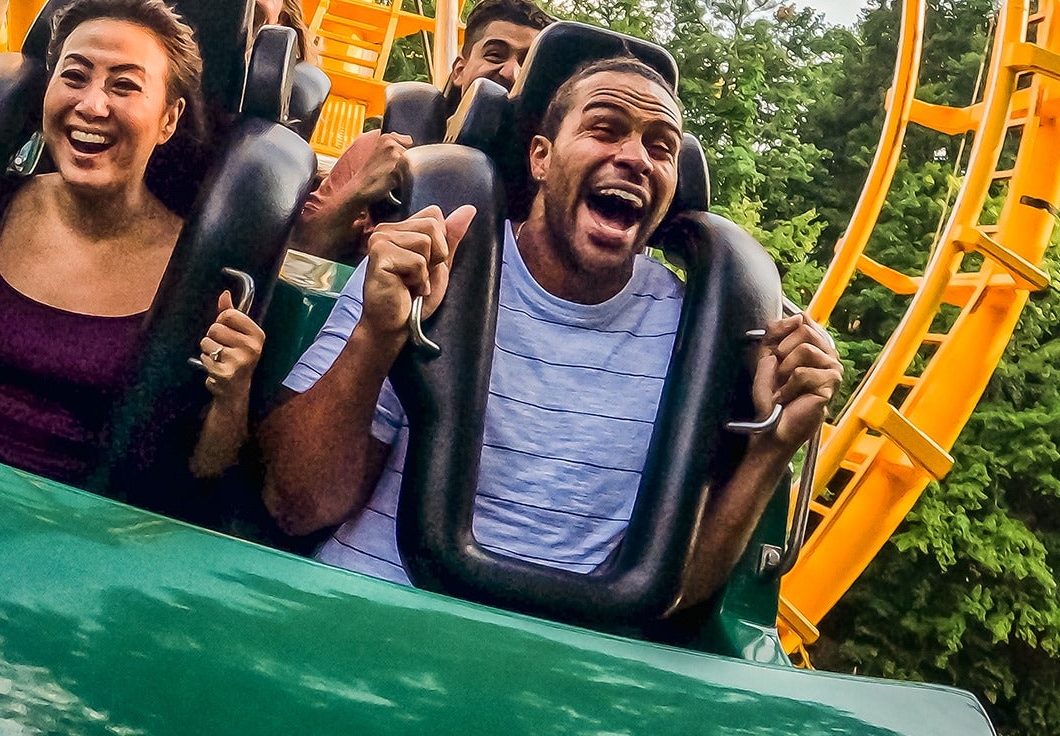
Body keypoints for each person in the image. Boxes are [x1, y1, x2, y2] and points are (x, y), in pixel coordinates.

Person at [259, 57, 842, 614]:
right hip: (367, 613)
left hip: (552, 674)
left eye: (660, 146)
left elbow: (676, 593)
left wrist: (774, 446)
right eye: (605, 129)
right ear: (541, 158)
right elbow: (296, 505)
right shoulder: (437, 262)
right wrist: (376, 335)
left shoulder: (693, 333)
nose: (636, 157)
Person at [0, 0, 266, 489]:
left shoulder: (198, 272)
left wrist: (233, 393)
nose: (92, 105)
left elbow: (202, 474)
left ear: (168, 120)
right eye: (74, 76)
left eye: (125, 86)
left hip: (82, 535)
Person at [294, 0, 553, 263]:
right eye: (495, 55)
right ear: (459, 70)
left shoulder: (545, 178)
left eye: (526, 66)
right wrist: (360, 190)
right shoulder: (383, 147)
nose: (511, 72)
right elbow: (299, 254)